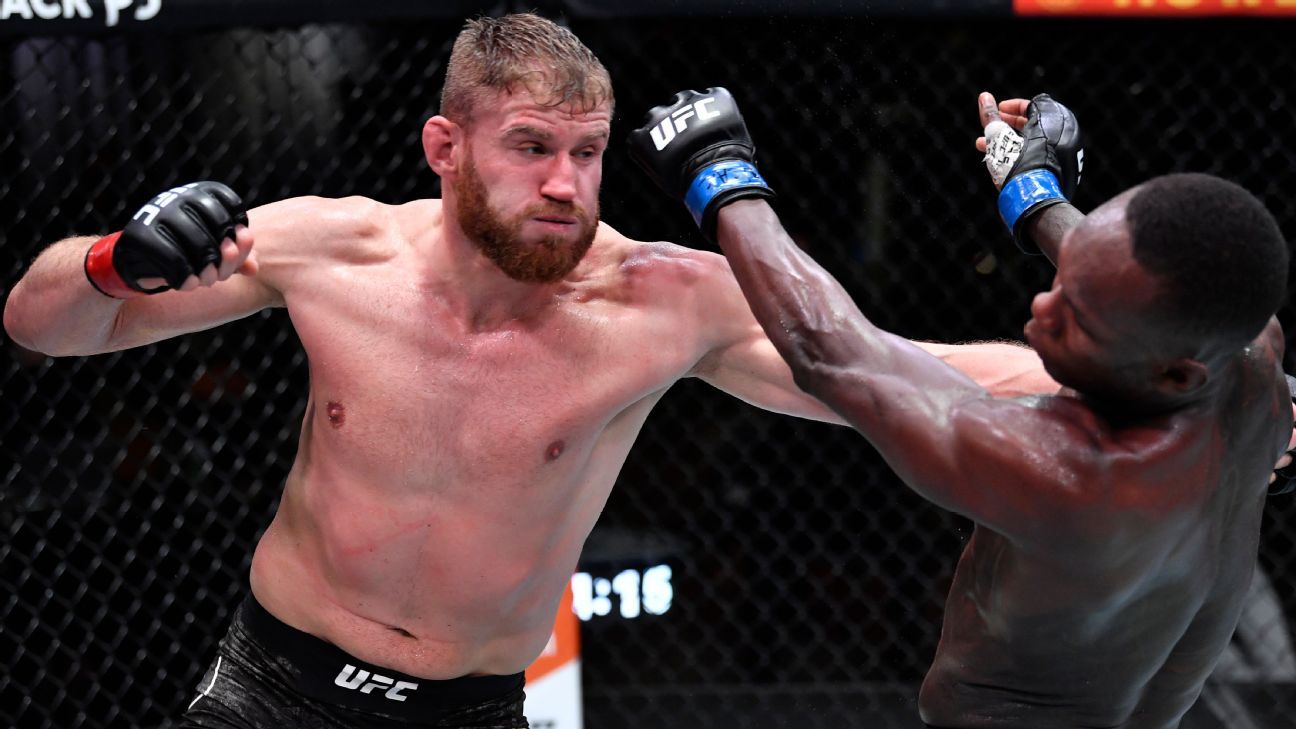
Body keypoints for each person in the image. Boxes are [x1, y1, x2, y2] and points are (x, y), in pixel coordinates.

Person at [2, 14, 1073, 729]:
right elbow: (41, 325)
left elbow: (911, 374)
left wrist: (1142, 366)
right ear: (445, 148)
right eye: (530, 147)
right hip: (270, 687)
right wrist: (109, 263)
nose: (566, 183)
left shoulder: (664, 302)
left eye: (588, 151)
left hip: (473, 708)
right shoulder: (333, 251)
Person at [627, 87, 1292, 728]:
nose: (1041, 308)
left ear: (1175, 372)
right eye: (1066, 284)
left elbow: (834, 355)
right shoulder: (1250, 359)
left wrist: (717, 172)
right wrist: (1037, 195)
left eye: (1080, 319)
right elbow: (1126, 289)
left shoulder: (1066, 471)